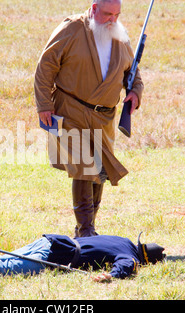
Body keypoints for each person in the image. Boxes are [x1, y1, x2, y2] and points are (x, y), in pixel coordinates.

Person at [34, 0, 144, 238]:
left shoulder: (119, 34)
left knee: (100, 171)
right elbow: (45, 67)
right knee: (84, 167)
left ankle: (86, 227)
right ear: (94, 8)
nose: (112, 19)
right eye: (107, 14)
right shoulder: (71, 28)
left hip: (104, 117)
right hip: (71, 110)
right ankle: (86, 232)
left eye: (117, 14)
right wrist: (44, 104)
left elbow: (132, 72)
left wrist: (135, 92)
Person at [0, 232, 164, 282]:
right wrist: (111, 275)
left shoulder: (122, 240)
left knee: (2, 261)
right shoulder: (129, 254)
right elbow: (127, 265)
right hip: (57, 254)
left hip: (51, 240)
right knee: (4, 268)